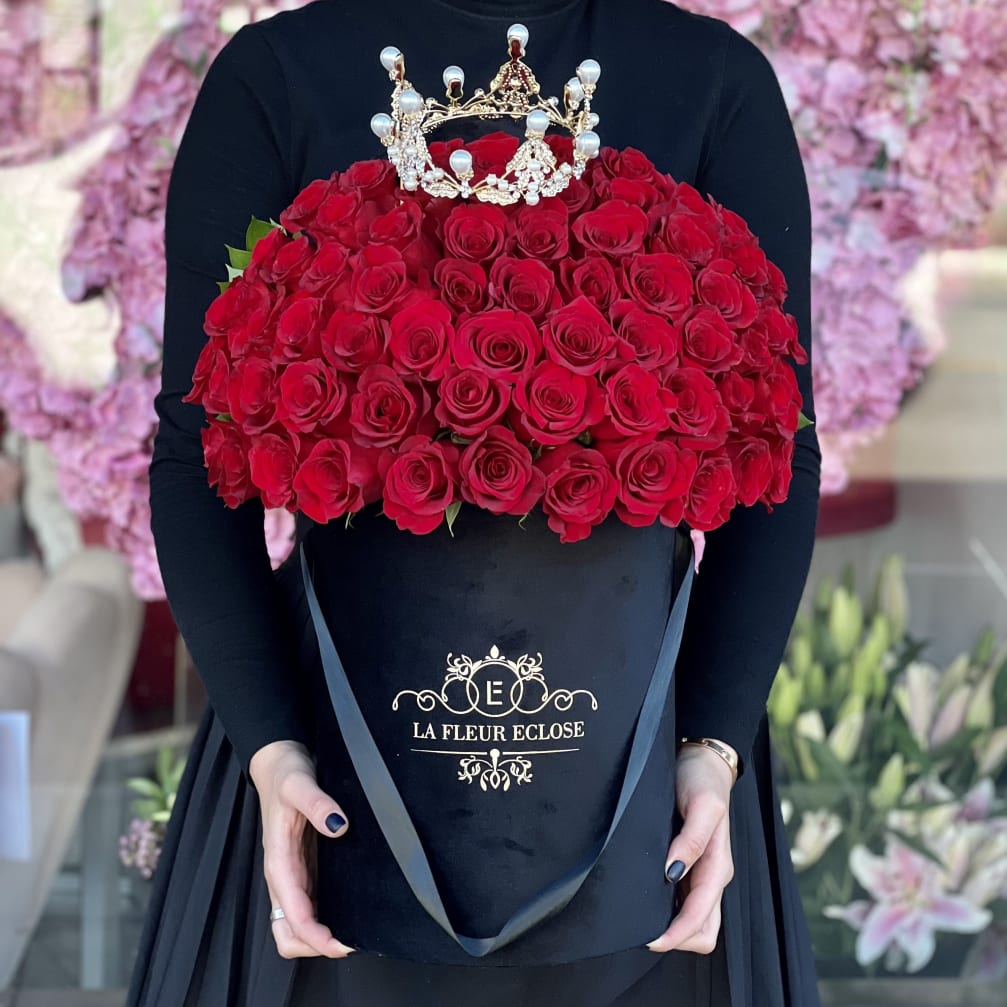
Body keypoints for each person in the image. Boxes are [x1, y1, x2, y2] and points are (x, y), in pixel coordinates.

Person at [127, 1, 823, 1004]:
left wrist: (710, 743)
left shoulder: (713, 79)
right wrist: (269, 746)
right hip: (330, 761)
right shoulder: (273, 75)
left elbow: (776, 450)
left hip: (646, 772)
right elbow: (196, 452)